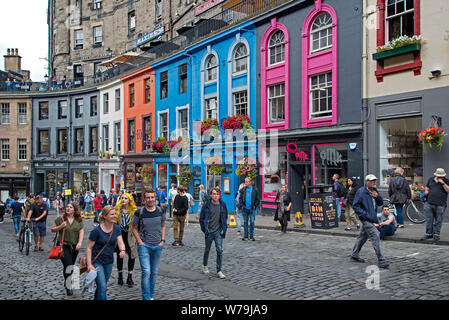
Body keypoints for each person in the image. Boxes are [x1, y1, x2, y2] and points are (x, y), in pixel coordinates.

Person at [131, 189, 166, 300]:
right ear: (144, 199)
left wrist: (162, 241)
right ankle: (146, 297)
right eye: (148, 197)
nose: (150, 200)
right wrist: (140, 242)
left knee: (154, 273)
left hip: (157, 245)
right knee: (146, 272)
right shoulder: (139, 212)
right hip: (144, 246)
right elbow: (134, 228)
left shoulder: (160, 210)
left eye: (152, 197)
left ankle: (150, 295)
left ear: (155, 197)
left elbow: (163, 225)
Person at [86, 205, 126, 300]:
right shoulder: (96, 231)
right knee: (103, 286)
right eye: (112, 214)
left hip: (109, 261)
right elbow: (88, 248)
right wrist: (89, 264)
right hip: (97, 261)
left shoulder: (116, 228)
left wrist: (123, 250)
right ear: (105, 216)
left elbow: (120, 241)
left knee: (101, 286)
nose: (115, 216)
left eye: (115, 214)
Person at [350, 174, 389, 269]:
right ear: (367, 182)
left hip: (372, 218)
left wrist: (377, 196)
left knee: (363, 236)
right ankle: (382, 260)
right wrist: (365, 215)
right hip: (366, 218)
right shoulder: (361, 191)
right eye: (372, 181)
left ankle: (354, 254)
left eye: (375, 180)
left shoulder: (374, 191)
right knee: (375, 235)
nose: (374, 182)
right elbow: (355, 206)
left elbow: (380, 203)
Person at [50, 203, 84, 296]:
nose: (68, 208)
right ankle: (68, 286)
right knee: (68, 264)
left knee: (71, 266)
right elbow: (52, 229)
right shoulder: (60, 219)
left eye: (70, 207)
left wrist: (80, 242)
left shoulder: (78, 220)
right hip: (63, 245)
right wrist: (60, 227)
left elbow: (81, 231)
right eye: (67, 207)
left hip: (75, 246)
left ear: (74, 210)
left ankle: (68, 281)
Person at [199, 187, 228, 279]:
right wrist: (205, 230)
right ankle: (205, 265)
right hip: (209, 231)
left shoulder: (223, 205)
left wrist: (223, 229)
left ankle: (219, 270)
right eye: (214, 194)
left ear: (220, 196)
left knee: (219, 250)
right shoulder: (206, 205)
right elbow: (201, 218)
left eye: (217, 194)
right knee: (207, 249)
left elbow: (225, 217)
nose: (215, 196)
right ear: (211, 195)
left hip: (218, 231)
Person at [114, 193, 138, 287]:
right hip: (120, 235)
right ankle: (120, 276)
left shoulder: (134, 211)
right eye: (122, 198)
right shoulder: (117, 210)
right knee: (120, 255)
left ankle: (129, 276)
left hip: (130, 235)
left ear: (129, 200)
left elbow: (137, 224)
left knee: (132, 255)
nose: (123, 200)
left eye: (125, 198)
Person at [420, 168, 449, 242]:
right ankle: (428, 233)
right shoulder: (431, 179)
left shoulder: (446, 181)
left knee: (438, 220)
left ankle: (436, 234)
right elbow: (427, 186)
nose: (440, 177)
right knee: (429, 219)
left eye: (441, 176)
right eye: (439, 176)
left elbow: (448, 190)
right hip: (429, 203)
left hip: (440, 204)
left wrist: (442, 183)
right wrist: (426, 190)